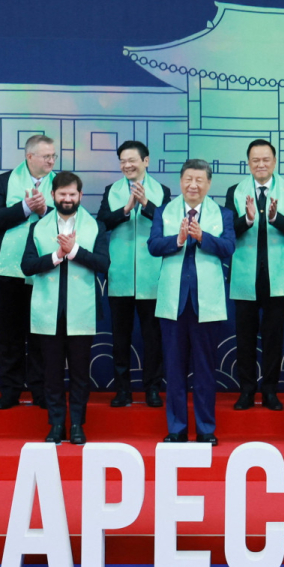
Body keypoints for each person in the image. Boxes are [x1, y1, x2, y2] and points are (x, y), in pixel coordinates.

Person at [149, 159, 236, 445]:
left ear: (209, 184)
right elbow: (153, 246)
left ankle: (206, 429)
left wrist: (202, 238)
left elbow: (229, 247)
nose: (193, 185)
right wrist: (178, 238)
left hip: (207, 303)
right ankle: (176, 428)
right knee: (173, 369)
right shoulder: (165, 212)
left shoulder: (222, 214)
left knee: (204, 370)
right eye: (188, 179)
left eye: (199, 180)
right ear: (180, 181)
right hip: (173, 302)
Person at [22, 172, 109, 446]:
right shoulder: (37, 227)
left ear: (80, 196)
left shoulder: (97, 226)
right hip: (48, 311)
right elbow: (27, 266)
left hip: (81, 311)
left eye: (73, 194)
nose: (68, 199)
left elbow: (103, 264)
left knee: (81, 374)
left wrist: (74, 251)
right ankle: (57, 424)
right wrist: (56, 256)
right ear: (53, 196)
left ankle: (78, 426)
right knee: (52, 373)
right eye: (62, 194)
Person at [225, 139, 284, 411]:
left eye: (266, 159)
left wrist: (274, 218)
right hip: (245, 275)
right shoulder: (235, 191)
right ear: (248, 163)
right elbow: (227, 231)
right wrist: (246, 219)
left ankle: (270, 390)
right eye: (255, 160)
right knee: (244, 338)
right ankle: (246, 390)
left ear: (274, 161)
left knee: (273, 337)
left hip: (277, 276)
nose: (260, 164)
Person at [0, 134, 56, 410]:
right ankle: (11, 389)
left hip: (43, 268)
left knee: (40, 332)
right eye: (46, 156)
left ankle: (39, 390)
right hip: (8, 267)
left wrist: (46, 209)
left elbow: (69, 215)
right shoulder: (5, 180)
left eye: (53, 156)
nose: (51, 161)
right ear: (29, 157)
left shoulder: (59, 182)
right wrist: (26, 208)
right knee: (10, 333)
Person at [97, 140, 171, 408]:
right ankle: (122, 390)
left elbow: (168, 224)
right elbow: (102, 223)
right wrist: (126, 209)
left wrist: (147, 205)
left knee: (153, 338)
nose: (127, 165)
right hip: (120, 275)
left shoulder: (161, 190)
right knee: (120, 338)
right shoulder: (111, 190)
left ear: (146, 161)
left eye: (132, 160)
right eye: (122, 161)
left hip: (152, 276)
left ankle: (152, 389)